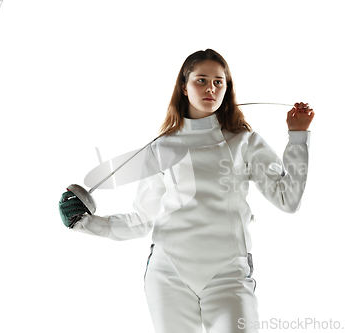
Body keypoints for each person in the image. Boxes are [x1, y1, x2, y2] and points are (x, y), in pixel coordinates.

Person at [58, 49, 314, 333]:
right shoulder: (161, 148)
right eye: (201, 80)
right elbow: (143, 220)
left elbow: (288, 200)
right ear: (184, 86)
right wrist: (85, 222)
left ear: (227, 89)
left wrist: (298, 136)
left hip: (229, 275)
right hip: (169, 274)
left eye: (219, 82)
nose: (210, 88)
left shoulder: (244, 142)